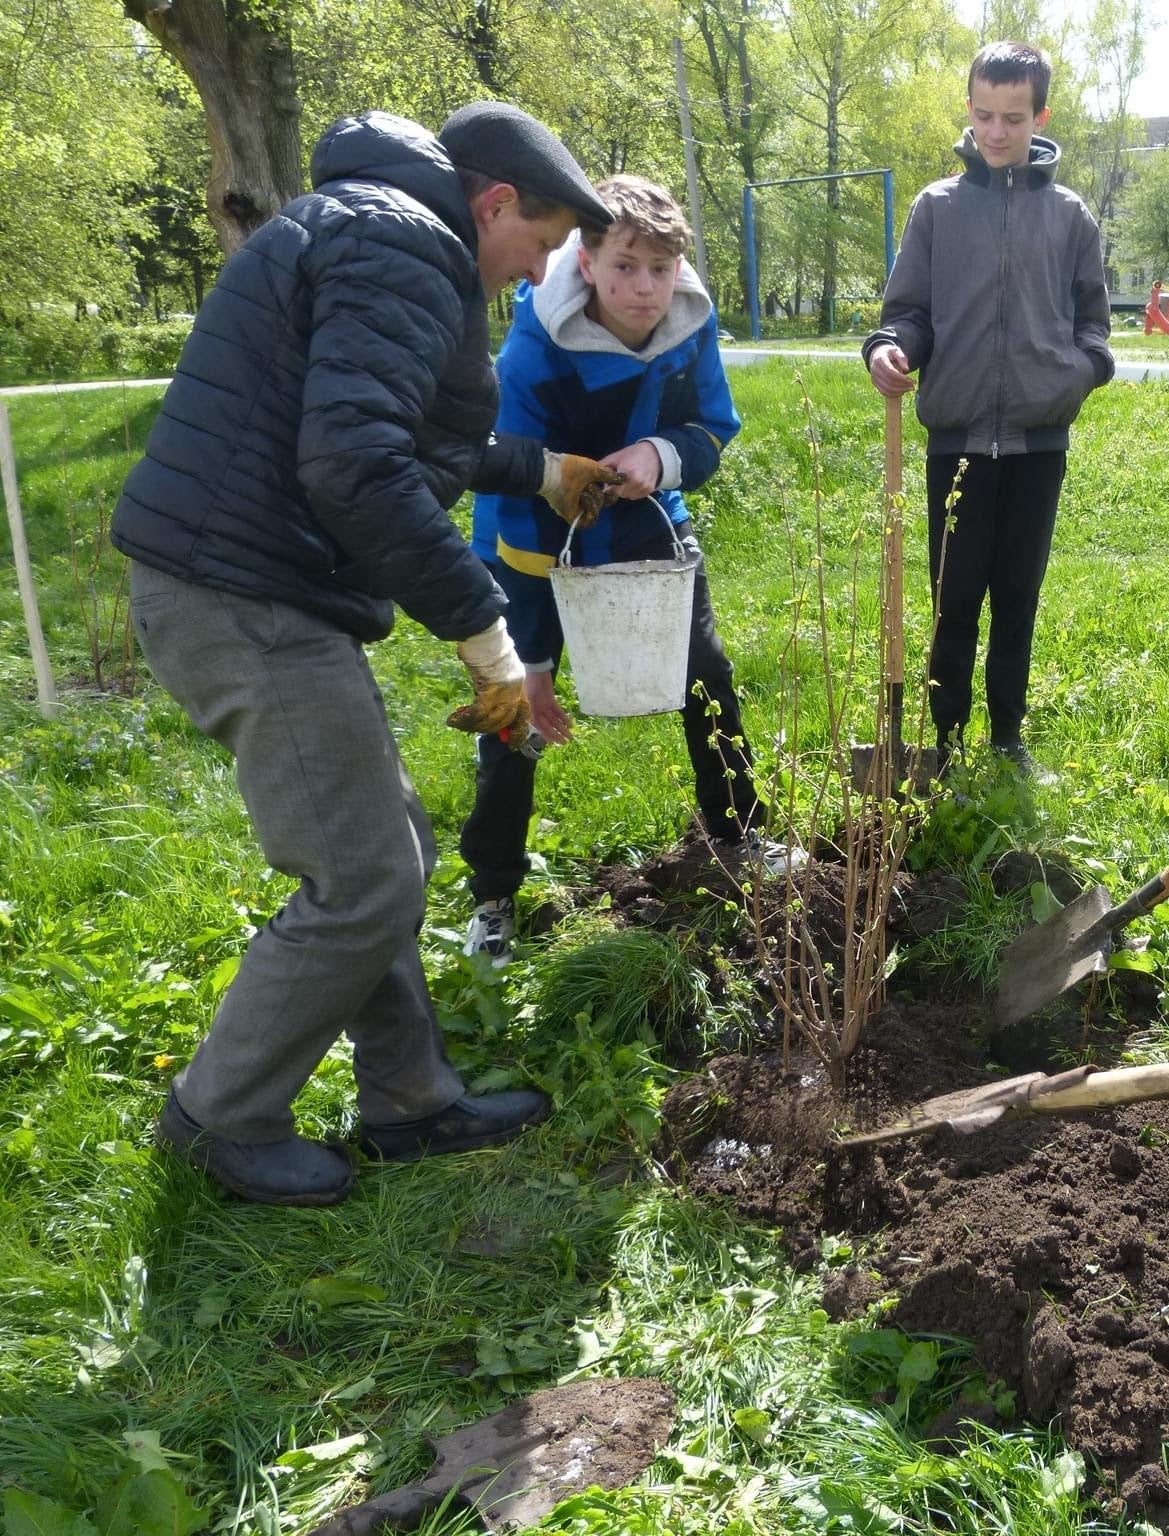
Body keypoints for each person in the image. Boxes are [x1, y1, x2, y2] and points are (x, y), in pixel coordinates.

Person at [114, 103, 624, 1207]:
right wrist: (488, 638)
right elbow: (354, 468)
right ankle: (219, 1116)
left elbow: (396, 428)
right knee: (362, 878)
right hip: (239, 593)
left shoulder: (371, 223)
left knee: (387, 847)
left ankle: (407, 1099)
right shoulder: (404, 239)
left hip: (252, 580)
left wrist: (540, 472)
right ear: (493, 205)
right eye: (534, 250)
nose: (525, 277)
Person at [459, 173, 801, 968]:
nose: (644, 288)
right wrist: (536, 662)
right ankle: (493, 895)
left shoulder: (689, 322)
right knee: (512, 714)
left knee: (706, 674)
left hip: (648, 520)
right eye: (624, 267)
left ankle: (739, 833)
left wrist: (661, 454)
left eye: (660, 269)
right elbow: (510, 480)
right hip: (528, 539)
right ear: (584, 261)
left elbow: (712, 423)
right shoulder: (538, 346)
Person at [862, 40, 1114, 783]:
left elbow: (1094, 328)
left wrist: (1074, 374)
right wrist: (889, 348)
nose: (996, 132)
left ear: (1040, 115)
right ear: (968, 109)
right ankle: (944, 737)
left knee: (1017, 595)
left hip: (1039, 445)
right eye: (983, 115)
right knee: (955, 598)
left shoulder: (1070, 217)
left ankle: (1007, 736)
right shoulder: (937, 208)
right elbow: (907, 311)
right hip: (957, 442)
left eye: (1012, 117)